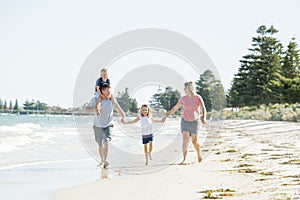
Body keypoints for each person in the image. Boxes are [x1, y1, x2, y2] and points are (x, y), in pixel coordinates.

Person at [163, 81, 206, 164]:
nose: (184, 89)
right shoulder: (183, 99)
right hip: (185, 120)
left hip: (195, 121)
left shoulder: (198, 97)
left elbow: (203, 108)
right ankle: (184, 159)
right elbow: (175, 108)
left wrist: (204, 117)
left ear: (189, 88)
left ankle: (199, 155)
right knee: (185, 139)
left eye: (185, 88)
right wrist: (166, 116)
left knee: (194, 141)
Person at [93, 83, 125, 168]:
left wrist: (123, 115)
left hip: (108, 124)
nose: (109, 93)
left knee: (106, 140)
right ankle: (102, 159)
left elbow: (117, 106)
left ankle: (105, 160)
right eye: (107, 92)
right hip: (98, 125)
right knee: (100, 144)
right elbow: (98, 105)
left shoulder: (111, 99)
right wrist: (98, 110)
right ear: (102, 92)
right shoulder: (99, 98)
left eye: (110, 91)